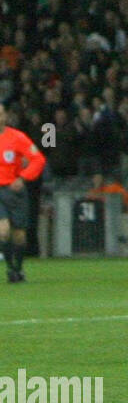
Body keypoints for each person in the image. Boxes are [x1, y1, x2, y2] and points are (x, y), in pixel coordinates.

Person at [0, 102, 46, 283]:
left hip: (15, 191)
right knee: (3, 231)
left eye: (1, 113)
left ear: (5, 116)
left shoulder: (17, 137)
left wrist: (23, 178)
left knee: (19, 234)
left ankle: (18, 268)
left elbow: (38, 159)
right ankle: (11, 269)